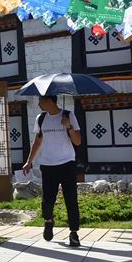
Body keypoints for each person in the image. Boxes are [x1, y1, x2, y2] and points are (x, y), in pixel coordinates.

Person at [23, 95, 82, 247]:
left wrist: (68, 126)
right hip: (48, 165)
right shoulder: (41, 118)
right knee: (47, 200)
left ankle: (74, 233)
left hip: (67, 163)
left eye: (40, 101)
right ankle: (49, 221)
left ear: (49, 101)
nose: (38, 104)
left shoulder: (68, 115)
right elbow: (38, 140)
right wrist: (29, 161)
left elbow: (78, 141)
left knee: (71, 199)